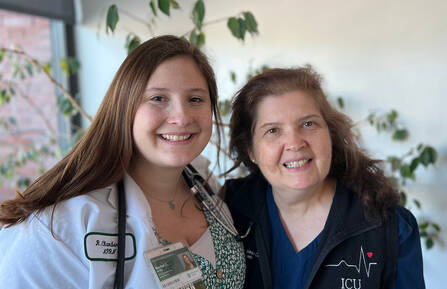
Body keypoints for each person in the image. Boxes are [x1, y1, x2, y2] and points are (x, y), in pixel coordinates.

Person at [0, 35, 245, 289]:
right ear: (124, 107)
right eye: (158, 98)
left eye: (195, 99)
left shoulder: (206, 184)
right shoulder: (58, 226)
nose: (181, 117)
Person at [223, 66, 425, 289]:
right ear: (250, 150)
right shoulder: (227, 212)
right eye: (273, 130)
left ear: (330, 133)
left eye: (308, 124)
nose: (295, 143)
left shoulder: (391, 226)